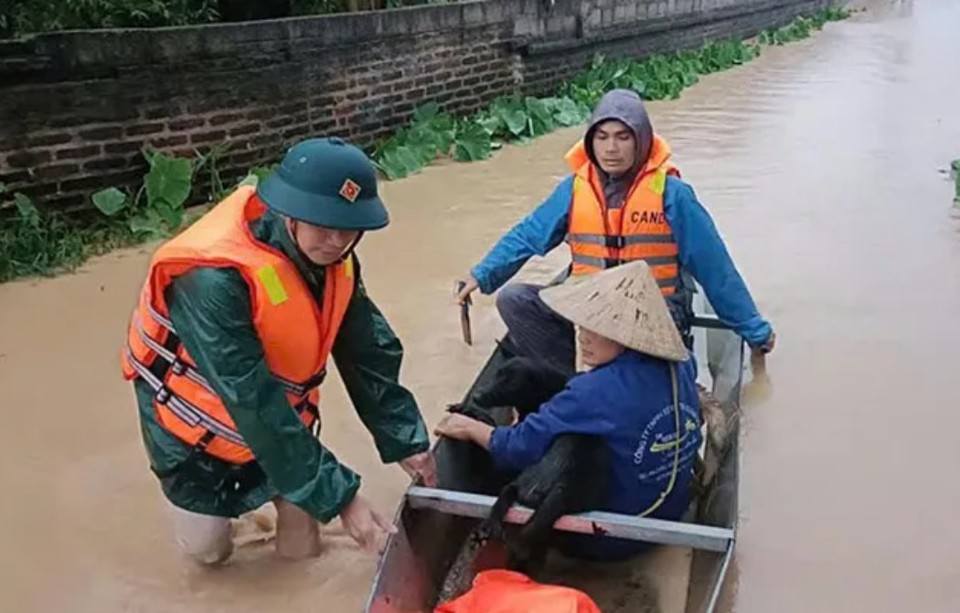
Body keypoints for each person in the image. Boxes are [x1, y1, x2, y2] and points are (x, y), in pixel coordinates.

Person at [121, 137, 437, 565]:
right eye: (323, 224)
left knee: (304, 551)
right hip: (194, 435)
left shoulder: (338, 258)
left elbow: (368, 350)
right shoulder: (212, 280)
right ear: (290, 212)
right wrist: (344, 499)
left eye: (349, 228)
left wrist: (406, 440)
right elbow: (251, 398)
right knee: (209, 555)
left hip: (282, 424)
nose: (337, 240)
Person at [455, 88, 775, 375]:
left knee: (640, 368)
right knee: (515, 300)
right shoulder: (574, 190)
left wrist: (754, 330)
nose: (611, 148)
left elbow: (714, 267)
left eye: (623, 137)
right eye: (602, 137)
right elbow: (528, 235)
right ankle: (571, 383)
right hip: (591, 311)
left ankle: (629, 385)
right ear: (590, 142)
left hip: (652, 314)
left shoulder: (673, 193)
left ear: (642, 140)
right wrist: (482, 275)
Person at [435, 260, 703, 561]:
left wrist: (471, 427)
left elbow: (515, 447)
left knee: (563, 447)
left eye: (599, 330)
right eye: (583, 325)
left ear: (628, 337)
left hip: (611, 539)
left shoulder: (594, 391)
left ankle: (522, 540)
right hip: (671, 512)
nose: (583, 337)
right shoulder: (683, 362)